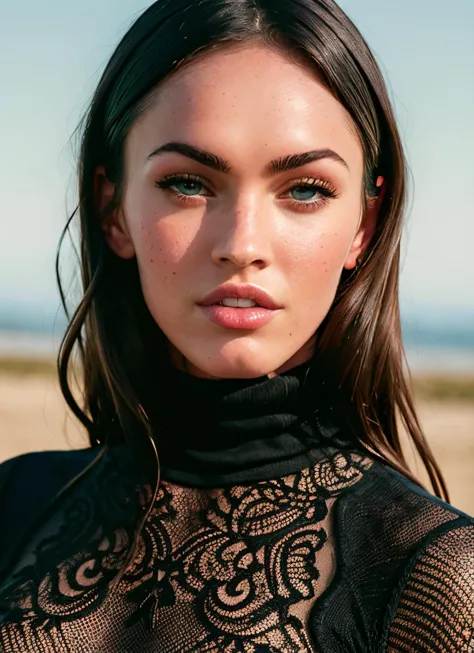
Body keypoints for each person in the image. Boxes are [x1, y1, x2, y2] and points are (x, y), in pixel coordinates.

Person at [1, 0, 473, 650]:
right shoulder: (11, 505)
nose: (242, 243)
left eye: (305, 188)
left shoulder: (433, 577)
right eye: (189, 183)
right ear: (112, 210)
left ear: (362, 226)